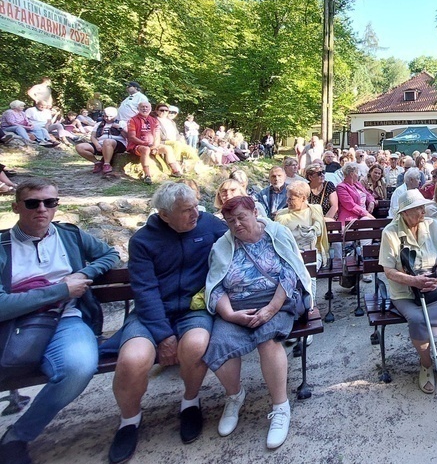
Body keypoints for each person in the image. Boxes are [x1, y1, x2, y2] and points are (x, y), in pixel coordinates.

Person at [0, 178, 119, 464]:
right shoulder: (4, 246)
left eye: (50, 202)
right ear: (17, 207)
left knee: (79, 366)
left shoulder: (70, 235)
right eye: (33, 203)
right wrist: (59, 290)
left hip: (66, 320)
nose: (42, 209)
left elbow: (110, 254)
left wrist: (85, 273)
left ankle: (18, 436)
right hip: (13, 327)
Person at [107, 183, 228, 464]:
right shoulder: (143, 241)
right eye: (186, 211)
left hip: (193, 309)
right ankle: (129, 421)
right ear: (164, 214)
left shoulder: (209, 224)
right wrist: (163, 336)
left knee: (197, 345)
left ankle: (190, 402)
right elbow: (145, 291)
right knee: (133, 360)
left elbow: (242, 237)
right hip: (151, 314)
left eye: (196, 206)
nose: (195, 214)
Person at [204, 196, 312, 449]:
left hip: (277, 300)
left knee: (268, 340)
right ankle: (234, 397)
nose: (237, 225)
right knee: (219, 343)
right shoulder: (222, 245)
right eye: (230, 221)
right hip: (236, 306)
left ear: (255, 212)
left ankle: (280, 407)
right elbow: (215, 285)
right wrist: (230, 315)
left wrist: (271, 309)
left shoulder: (276, 233)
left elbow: (291, 273)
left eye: (242, 217)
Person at [379, 190, 437, 394]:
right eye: (418, 208)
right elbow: (388, 271)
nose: (423, 211)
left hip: (434, 286)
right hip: (405, 292)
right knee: (418, 319)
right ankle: (427, 365)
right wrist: (413, 280)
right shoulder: (390, 232)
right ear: (404, 212)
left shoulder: (431, 225)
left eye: (423, 207)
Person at [275, 181, 329, 275]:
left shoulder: (315, 210)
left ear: (303, 198)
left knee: (309, 269)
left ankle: (308, 289)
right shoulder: (282, 215)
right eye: (287, 198)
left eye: (291, 199)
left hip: (312, 255)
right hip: (290, 256)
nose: (287, 202)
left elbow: (318, 230)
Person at [126, 102, 183, 184]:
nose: (145, 108)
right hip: (137, 146)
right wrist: (145, 144)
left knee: (167, 148)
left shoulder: (154, 120)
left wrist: (155, 146)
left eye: (147, 107)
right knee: (145, 150)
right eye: (142, 107)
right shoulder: (132, 120)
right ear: (138, 109)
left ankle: (175, 171)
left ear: (150, 109)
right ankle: (147, 175)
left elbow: (157, 137)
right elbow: (132, 137)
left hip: (152, 145)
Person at [73, 107, 127, 175]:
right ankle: (97, 163)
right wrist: (97, 145)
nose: (108, 118)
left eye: (111, 116)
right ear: (103, 116)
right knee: (80, 147)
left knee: (107, 141)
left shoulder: (122, 123)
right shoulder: (99, 124)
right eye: (106, 116)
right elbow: (93, 136)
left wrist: (119, 128)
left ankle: (106, 164)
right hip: (101, 144)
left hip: (117, 144)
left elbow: (128, 136)